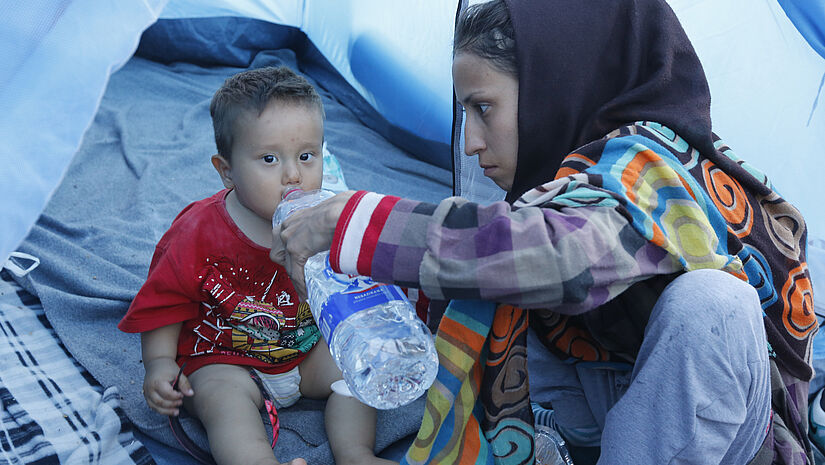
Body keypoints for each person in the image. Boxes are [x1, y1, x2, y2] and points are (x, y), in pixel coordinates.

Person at [272, 1, 816, 464]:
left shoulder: (652, 169)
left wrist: (356, 223)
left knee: (712, 303)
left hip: (714, 433)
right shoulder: (556, 184)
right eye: (468, 115)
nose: (471, 143)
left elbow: (565, 255)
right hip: (598, 409)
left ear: (560, 84)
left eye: (485, 110)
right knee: (476, 247)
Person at [119, 66, 394, 465]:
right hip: (224, 359)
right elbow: (164, 303)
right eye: (269, 158)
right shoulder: (197, 233)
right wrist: (159, 364)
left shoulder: (327, 221)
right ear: (226, 169)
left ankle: (355, 454)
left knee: (357, 363)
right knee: (225, 404)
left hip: (302, 351)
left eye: (306, 156)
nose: (293, 175)